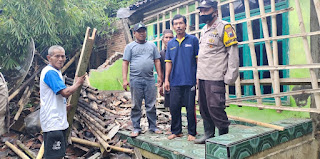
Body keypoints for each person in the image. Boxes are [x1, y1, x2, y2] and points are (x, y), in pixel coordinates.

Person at [195, 0, 239, 144]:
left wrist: (230, 76)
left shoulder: (224, 27)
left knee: (216, 108)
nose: (202, 13)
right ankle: (209, 133)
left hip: (215, 76)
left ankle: (223, 137)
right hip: (202, 76)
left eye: (206, 10)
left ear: (215, 11)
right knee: (204, 108)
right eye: (201, 11)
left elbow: (232, 53)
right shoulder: (204, 29)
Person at [40, 45, 86, 158]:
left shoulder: (55, 71)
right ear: (49, 57)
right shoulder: (50, 72)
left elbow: (51, 96)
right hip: (53, 124)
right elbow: (65, 92)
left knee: (57, 154)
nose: (61, 59)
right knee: (54, 156)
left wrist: (63, 107)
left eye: (63, 56)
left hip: (56, 122)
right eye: (57, 56)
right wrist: (78, 83)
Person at [122, 22, 163, 137]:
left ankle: (153, 126)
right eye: (139, 31)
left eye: (143, 31)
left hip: (150, 79)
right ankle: (136, 127)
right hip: (135, 79)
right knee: (136, 105)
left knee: (151, 104)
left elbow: (157, 61)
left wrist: (160, 76)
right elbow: (125, 63)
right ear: (134, 33)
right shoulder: (130, 47)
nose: (142, 33)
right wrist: (125, 79)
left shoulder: (152, 46)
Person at [164, 14, 199, 141]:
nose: (178, 26)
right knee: (174, 107)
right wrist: (166, 79)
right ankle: (176, 131)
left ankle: (192, 132)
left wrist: (198, 77)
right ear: (173, 27)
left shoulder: (193, 40)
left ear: (185, 25)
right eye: (176, 24)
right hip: (174, 81)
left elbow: (198, 60)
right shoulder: (171, 43)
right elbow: (168, 62)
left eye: (180, 23)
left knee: (190, 108)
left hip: (189, 80)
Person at [159, 29, 174, 109]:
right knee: (171, 106)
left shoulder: (176, 51)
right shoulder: (161, 54)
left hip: (178, 82)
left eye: (170, 37)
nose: (168, 40)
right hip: (168, 83)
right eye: (166, 37)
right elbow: (161, 70)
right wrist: (161, 85)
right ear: (163, 40)